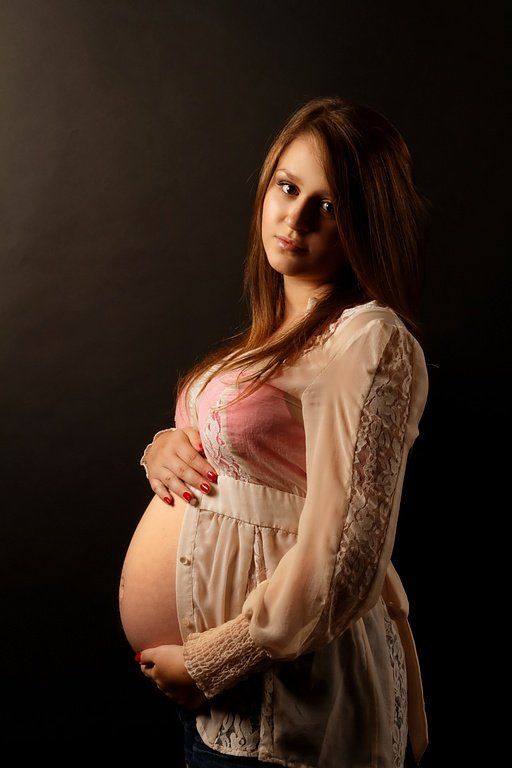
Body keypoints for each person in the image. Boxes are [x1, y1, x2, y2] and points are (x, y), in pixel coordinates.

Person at [135, 96, 431, 768]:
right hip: (217, 704)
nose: (295, 219)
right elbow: (245, 458)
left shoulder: (368, 338)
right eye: (288, 188)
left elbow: (346, 560)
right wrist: (163, 448)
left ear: (365, 222)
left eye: (329, 206)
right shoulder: (269, 338)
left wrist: (211, 661)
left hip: (291, 699)